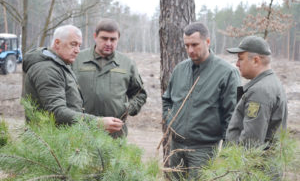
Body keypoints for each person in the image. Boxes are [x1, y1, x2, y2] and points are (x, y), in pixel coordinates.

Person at [162, 22, 240, 180]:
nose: (190, 50)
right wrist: (170, 119)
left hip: (203, 150)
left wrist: (227, 152)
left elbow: (233, 116)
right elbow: (167, 100)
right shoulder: (179, 70)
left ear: (208, 42)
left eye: (195, 44)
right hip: (175, 148)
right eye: (187, 45)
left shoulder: (228, 73)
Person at [23, 25, 123, 133]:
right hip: (48, 143)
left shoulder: (60, 65)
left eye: (79, 46)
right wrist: (97, 122)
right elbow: (56, 112)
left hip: (61, 139)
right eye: (73, 44)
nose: (77, 50)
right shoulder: (47, 69)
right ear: (57, 43)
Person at [72, 19, 147, 138]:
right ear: (95, 36)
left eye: (113, 39)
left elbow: (139, 94)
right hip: (81, 130)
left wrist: (127, 108)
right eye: (104, 38)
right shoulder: (77, 60)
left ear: (118, 39)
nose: (108, 43)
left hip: (114, 133)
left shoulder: (127, 64)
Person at [226, 36, 288, 147]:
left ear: (255, 60)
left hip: (250, 163)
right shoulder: (270, 83)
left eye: (240, 58)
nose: (237, 64)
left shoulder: (259, 92)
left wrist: (233, 162)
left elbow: (250, 145)